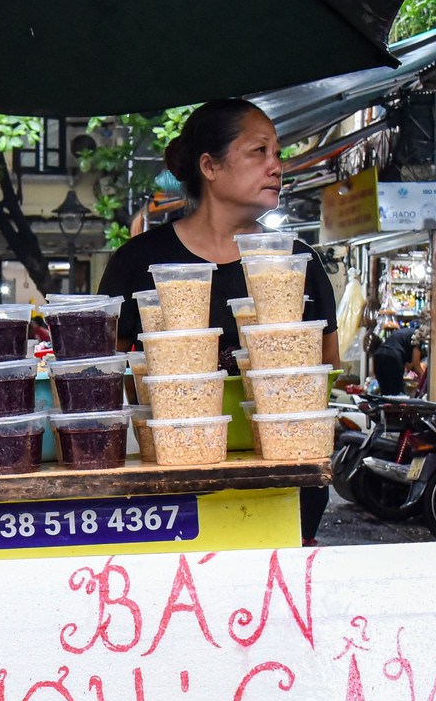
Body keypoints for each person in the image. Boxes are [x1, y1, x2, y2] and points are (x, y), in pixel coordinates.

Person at [99, 98, 338, 543]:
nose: (276, 166)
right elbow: (102, 375)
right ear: (210, 166)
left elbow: (322, 372)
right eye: (258, 151)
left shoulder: (296, 261)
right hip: (174, 488)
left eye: (278, 153)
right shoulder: (139, 261)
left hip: (281, 482)